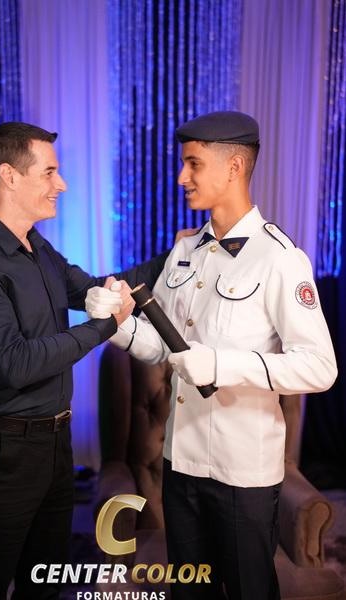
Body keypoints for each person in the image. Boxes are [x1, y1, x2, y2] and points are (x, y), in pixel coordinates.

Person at [87, 111, 337, 599]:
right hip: (180, 463)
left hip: (242, 472)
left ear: (234, 167)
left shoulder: (280, 259)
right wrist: (117, 324)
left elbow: (319, 367)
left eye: (194, 164)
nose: (182, 177)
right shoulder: (186, 252)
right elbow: (162, 347)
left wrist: (221, 365)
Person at [0, 121, 173, 599]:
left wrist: (179, 254)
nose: (60, 184)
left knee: (44, 582)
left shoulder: (37, 247)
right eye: (49, 172)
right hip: (1, 453)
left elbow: (99, 289)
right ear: (9, 175)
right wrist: (104, 327)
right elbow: (17, 363)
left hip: (54, 443)